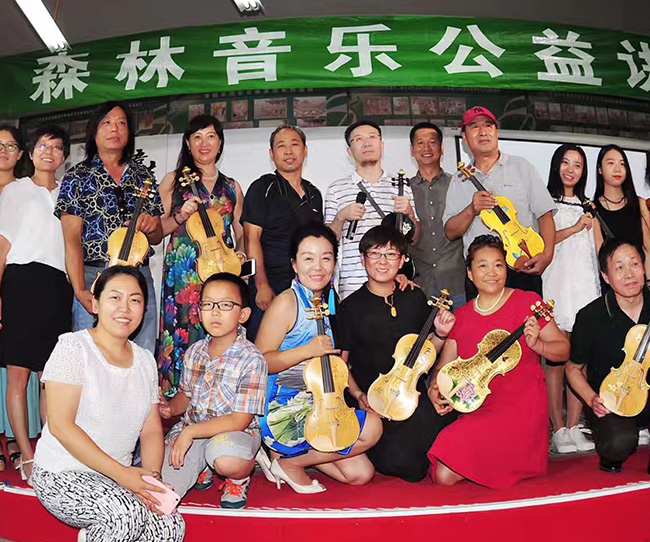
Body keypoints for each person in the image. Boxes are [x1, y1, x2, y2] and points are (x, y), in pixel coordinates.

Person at [32, 266, 185, 542]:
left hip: (118, 475)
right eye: (115, 297)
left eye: (135, 300)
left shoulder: (145, 361)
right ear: (95, 304)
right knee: (124, 516)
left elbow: (151, 430)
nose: (125, 308)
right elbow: (61, 426)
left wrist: (151, 480)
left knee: (169, 526)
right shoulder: (73, 348)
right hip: (63, 471)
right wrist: (124, 477)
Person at [428, 235, 570, 487]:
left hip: (523, 408)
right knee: (443, 474)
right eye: (482, 266)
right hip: (480, 407)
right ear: (470, 273)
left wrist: (538, 345)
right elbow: (444, 369)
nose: (492, 273)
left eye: (498, 265)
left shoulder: (528, 303)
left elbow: (563, 350)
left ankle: (500, 459)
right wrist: (434, 389)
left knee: (447, 473)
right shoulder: (461, 316)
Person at [255, 223, 382, 492]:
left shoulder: (330, 301)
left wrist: (357, 393)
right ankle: (289, 462)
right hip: (285, 408)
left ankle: (284, 457)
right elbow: (260, 363)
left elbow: (334, 363)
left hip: (323, 404)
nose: (318, 267)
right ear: (294, 264)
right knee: (372, 428)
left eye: (326, 258)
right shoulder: (286, 303)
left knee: (360, 473)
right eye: (308, 258)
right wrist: (307, 351)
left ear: (335, 263)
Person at [337, 225, 457, 482]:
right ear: (363, 259)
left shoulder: (414, 296)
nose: (383, 262)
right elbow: (341, 365)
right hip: (377, 404)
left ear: (402, 261)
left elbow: (427, 352)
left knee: (451, 434)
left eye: (391, 255)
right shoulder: (349, 307)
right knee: (406, 465)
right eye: (375, 254)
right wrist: (359, 396)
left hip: (412, 395)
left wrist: (441, 334)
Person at [55, 101, 163, 353]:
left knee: (142, 351)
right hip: (95, 275)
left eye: (121, 123)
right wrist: (80, 289)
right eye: (107, 123)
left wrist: (151, 225)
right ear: (94, 130)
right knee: (92, 354)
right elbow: (72, 241)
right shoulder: (76, 177)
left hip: (138, 275)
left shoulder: (143, 176)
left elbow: (157, 236)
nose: (115, 129)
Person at [0, 125, 74, 484]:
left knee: (51, 378)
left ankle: (49, 451)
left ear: (64, 157)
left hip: (58, 285)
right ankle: (27, 457)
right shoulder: (15, 190)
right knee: (18, 375)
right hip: (21, 282)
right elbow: (2, 246)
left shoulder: (69, 194)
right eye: (43, 146)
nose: (50, 152)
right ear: (30, 153)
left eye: (57, 147)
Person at [159, 273, 267, 509]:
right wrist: (169, 409)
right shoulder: (194, 351)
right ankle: (203, 465)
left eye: (225, 305)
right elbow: (186, 396)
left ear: (243, 315)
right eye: (208, 304)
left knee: (226, 459)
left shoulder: (252, 358)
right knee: (160, 492)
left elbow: (239, 420)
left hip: (234, 433)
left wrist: (189, 433)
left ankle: (238, 478)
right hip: (194, 429)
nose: (215, 312)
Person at [158, 115, 245, 398]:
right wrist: (180, 216)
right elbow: (156, 232)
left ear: (220, 143)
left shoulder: (232, 186)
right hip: (184, 274)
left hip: (221, 270)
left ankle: (218, 397)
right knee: (181, 332)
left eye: (210, 136)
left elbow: (239, 230)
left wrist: (241, 254)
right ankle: (176, 400)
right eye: (197, 137)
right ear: (188, 143)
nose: (203, 143)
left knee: (221, 331)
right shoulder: (173, 181)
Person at [443, 106, 557, 298]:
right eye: (475, 127)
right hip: (479, 274)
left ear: (496, 132)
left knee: (527, 317)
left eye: (488, 125)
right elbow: (450, 232)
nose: (483, 132)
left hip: (522, 266)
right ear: (465, 138)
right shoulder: (458, 180)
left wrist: (547, 255)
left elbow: (545, 214)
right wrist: (471, 210)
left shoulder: (522, 167)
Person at [567, 240, 650, 473]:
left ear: (644, 268)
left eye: (634, 264)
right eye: (619, 267)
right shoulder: (590, 316)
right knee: (618, 444)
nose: (629, 274)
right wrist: (592, 399)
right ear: (606, 276)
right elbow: (573, 369)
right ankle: (610, 454)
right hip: (614, 400)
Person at [542, 144, 600, 454]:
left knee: (579, 360)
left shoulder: (588, 205)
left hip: (585, 286)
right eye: (566, 162)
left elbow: (598, 248)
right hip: (556, 284)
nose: (571, 170)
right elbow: (544, 242)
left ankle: (575, 426)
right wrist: (576, 227)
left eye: (577, 165)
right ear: (556, 165)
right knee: (555, 359)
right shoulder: (545, 203)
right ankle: (558, 428)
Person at [242, 125, 323, 341]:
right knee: (265, 348)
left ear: (305, 151)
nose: (289, 151)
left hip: (307, 285)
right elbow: (251, 238)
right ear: (272, 154)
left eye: (294, 145)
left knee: (306, 346)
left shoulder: (314, 194)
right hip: (271, 282)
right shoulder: (262, 187)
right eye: (281, 146)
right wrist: (261, 285)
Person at [325, 120, 421, 299]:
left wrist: (410, 213)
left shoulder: (401, 186)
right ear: (349, 151)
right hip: (353, 284)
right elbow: (327, 242)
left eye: (372, 137)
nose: (367, 143)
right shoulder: (336, 189)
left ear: (381, 145)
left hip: (394, 281)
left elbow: (414, 239)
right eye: (358, 139)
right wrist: (341, 217)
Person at [0, 124, 36, 473]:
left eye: (11, 145)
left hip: (15, 284)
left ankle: (12, 437)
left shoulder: (27, 191)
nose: (3, 150)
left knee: (13, 365)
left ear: (21, 153)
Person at [408, 122, 466, 308]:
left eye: (432, 142)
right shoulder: (405, 189)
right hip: (419, 285)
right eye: (420, 143)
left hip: (457, 282)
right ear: (412, 150)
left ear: (442, 148)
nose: (426, 148)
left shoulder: (458, 184)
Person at [593, 144, 650, 277]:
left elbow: (647, 248)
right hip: (613, 282)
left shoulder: (639, 204)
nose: (617, 169)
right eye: (611, 163)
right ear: (600, 169)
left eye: (622, 164)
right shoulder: (594, 209)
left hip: (641, 280)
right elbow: (601, 257)